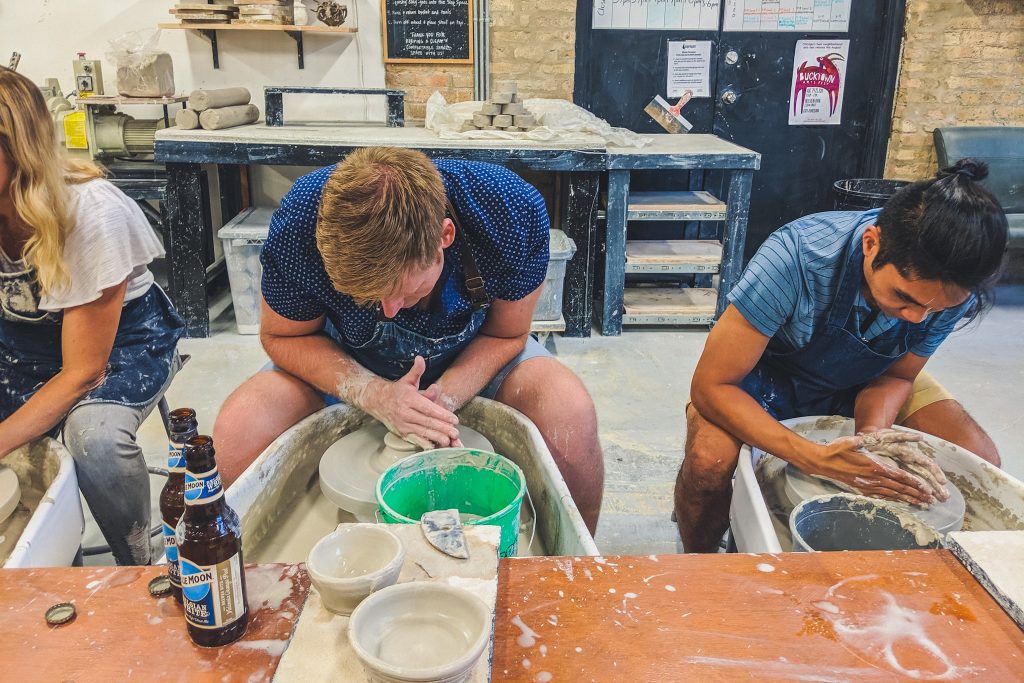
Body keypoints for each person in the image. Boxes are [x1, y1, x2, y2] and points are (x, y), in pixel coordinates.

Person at [213, 147, 604, 533]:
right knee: (239, 429)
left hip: (476, 350)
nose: (388, 311)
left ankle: (575, 574)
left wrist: (438, 403)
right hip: (344, 355)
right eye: (368, 297)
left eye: (403, 292)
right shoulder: (302, 220)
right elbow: (284, 336)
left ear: (444, 237)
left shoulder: (508, 210)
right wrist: (372, 393)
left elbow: (508, 333)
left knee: (568, 410)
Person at [675, 159, 1008, 552]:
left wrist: (871, 436)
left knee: (982, 462)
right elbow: (712, 386)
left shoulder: (949, 289)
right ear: (872, 244)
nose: (918, 317)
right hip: (768, 371)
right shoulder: (796, 257)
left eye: (935, 310)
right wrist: (813, 458)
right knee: (709, 460)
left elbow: (898, 377)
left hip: (872, 375)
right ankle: (700, 562)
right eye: (903, 298)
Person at [0, 68, 185, 564]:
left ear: (16, 147)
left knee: (95, 440)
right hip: (22, 345)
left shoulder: (90, 212)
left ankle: (137, 563)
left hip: (121, 347)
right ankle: (48, 565)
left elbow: (82, 371)